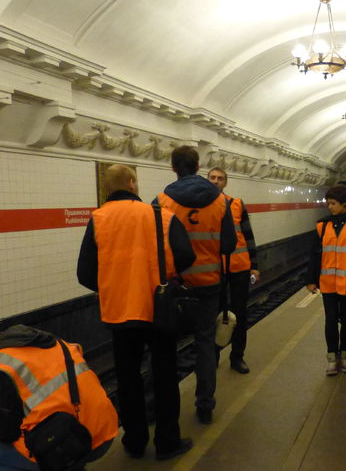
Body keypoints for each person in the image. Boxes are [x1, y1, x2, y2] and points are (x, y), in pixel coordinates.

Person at [77, 163, 195, 459]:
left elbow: (85, 273)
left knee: (127, 379)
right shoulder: (161, 217)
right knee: (165, 375)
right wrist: (162, 276)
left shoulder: (98, 219)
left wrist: (113, 285)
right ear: (132, 183)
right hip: (159, 310)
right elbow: (186, 255)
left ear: (107, 187)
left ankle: (135, 440)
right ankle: (167, 443)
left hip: (119, 314)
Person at [0, 324, 118, 470]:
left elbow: (6, 433)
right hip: (105, 429)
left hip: (76, 444)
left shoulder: (0, 366)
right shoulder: (55, 342)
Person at [157, 146, 237, 425]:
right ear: (198, 165)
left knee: (166, 346)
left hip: (173, 287)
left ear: (173, 167)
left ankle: (165, 411)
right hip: (209, 285)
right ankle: (205, 404)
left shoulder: (162, 200)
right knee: (205, 343)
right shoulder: (220, 200)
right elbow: (228, 244)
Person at [306, 184, 346, 375]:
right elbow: (315, 255)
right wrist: (311, 280)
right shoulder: (322, 226)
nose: (329, 207)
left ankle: (345, 356)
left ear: (344, 204)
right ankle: (332, 358)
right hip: (328, 284)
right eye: (328, 203)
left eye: (333, 203)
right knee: (331, 320)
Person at [207, 166, 260, 374]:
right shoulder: (202, 208)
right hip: (214, 269)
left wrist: (254, 266)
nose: (215, 181)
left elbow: (248, 236)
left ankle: (237, 356)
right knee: (215, 315)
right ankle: (214, 356)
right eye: (212, 178)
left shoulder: (237, 204)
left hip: (239, 267)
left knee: (240, 314)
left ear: (225, 183)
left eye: (220, 178)